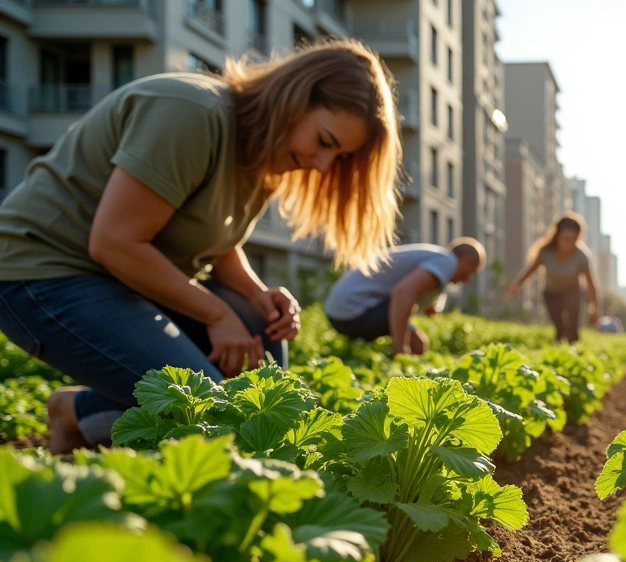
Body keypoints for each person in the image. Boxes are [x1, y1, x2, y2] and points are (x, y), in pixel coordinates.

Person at [0, 40, 402, 453]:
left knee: (258, 335)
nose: (322, 164)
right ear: (294, 99)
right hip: (42, 273)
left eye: (338, 156)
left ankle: (77, 412)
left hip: (119, 281)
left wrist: (257, 295)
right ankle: (101, 427)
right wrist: (216, 313)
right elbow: (115, 243)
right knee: (209, 408)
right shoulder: (191, 113)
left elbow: (216, 243)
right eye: (324, 141)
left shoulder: (264, 155)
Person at [324, 239, 485, 355]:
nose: (467, 280)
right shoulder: (448, 261)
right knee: (415, 345)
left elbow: (427, 306)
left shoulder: (437, 258)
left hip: (341, 310)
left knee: (418, 344)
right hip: (352, 311)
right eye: (471, 272)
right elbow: (402, 293)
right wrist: (401, 348)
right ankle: (397, 364)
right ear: (466, 261)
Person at [507, 213, 599, 343]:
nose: (569, 244)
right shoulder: (546, 252)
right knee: (559, 328)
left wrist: (594, 309)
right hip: (552, 294)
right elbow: (530, 270)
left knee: (573, 331)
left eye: (573, 240)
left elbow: (591, 285)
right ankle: (558, 347)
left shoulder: (581, 256)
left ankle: (574, 349)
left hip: (573, 294)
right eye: (565, 239)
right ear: (557, 236)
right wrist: (517, 285)